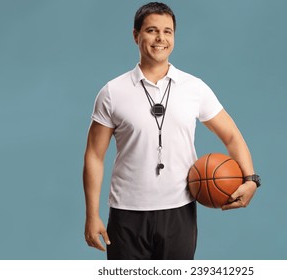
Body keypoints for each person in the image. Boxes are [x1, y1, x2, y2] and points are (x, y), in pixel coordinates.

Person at [83, 2, 260, 260]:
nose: (160, 38)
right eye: (152, 30)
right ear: (136, 35)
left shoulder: (194, 88)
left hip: (179, 211)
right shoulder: (112, 92)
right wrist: (91, 215)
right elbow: (94, 155)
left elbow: (231, 135)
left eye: (168, 31)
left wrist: (251, 180)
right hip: (126, 214)